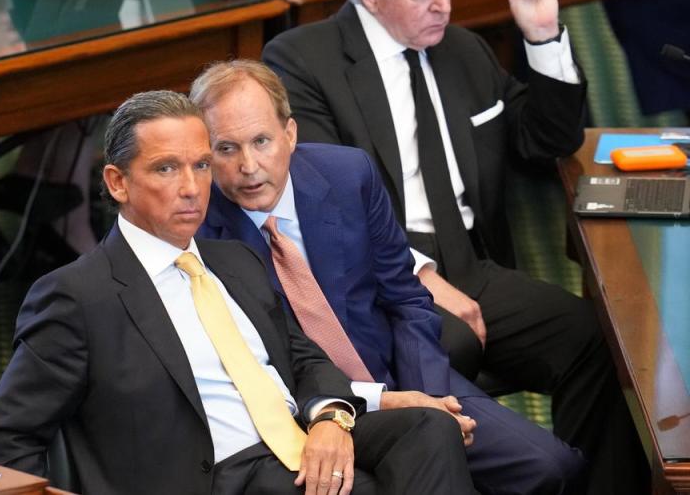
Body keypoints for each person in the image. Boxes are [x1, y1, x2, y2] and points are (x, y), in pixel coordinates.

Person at [262, 0, 648, 494]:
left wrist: (542, 36)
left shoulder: (461, 49)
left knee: (598, 339)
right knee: (452, 343)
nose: (444, 5)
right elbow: (323, 205)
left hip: (474, 265)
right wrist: (420, 274)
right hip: (381, 281)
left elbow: (542, 141)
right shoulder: (301, 61)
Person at [0, 90, 477, 495]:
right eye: (166, 169)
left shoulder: (235, 260)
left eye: (199, 165)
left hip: (299, 439)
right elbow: (6, 437)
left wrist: (331, 415)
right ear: (117, 182)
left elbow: (302, 357)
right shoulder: (76, 295)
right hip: (222, 474)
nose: (193, 188)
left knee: (428, 430)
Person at [192, 59, 587, 494]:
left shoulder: (347, 175)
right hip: (309, 417)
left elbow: (407, 298)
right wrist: (389, 409)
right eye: (226, 149)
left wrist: (429, 399)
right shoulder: (198, 231)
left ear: (290, 134)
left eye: (262, 141)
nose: (248, 165)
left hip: (402, 376)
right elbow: (253, 370)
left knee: (550, 467)